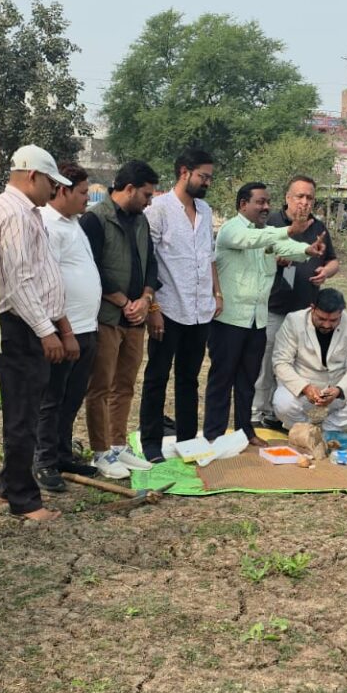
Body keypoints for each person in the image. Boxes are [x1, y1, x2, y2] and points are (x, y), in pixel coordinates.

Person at [0, 144, 73, 522]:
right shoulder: (15, 214)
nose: (54, 189)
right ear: (32, 176)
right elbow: (19, 282)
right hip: (20, 326)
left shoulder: (28, 212)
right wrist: (45, 331)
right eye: (51, 182)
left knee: (27, 410)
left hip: (31, 324)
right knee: (22, 415)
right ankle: (23, 499)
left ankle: (12, 482)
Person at [209, 182, 322, 445]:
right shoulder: (231, 229)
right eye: (260, 202)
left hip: (257, 320)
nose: (266, 207)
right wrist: (289, 230)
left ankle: (245, 432)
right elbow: (253, 240)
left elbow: (283, 248)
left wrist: (307, 250)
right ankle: (214, 436)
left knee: (248, 380)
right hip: (229, 320)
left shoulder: (266, 233)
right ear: (243, 204)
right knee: (222, 380)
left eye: (268, 202)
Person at [80, 160, 160, 479]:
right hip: (108, 317)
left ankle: (117, 444)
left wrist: (146, 300)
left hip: (135, 319)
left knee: (125, 385)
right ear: (128, 189)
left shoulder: (141, 221)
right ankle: (101, 451)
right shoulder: (95, 219)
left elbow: (151, 264)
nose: (149, 202)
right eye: (146, 195)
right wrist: (123, 301)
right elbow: (91, 268)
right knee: (101, 385)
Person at [141, 147, 216, 461]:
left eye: (209, 177)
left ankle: (187, 441)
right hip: (168, 308)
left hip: (200, 311)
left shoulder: (206, 210)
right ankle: (151, 443)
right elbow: (148, 261)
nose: (207, 182)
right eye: (203, 176)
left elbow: (209, 257)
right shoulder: (158, 209)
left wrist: (217, 294)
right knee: (157, 377)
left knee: (189, 379)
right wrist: (153, 308)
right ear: (184, 172)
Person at [35, 162, 101, 493]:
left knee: (72, 396)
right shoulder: (47, 224)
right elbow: (49, 283)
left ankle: (61, 453)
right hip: (65, 329)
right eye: (83, 192)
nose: (88, 198)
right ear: (62, 190)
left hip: (86, 326)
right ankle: (43, 461)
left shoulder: (74, 223)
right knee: (52, 398)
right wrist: (64, 331)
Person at [253, 175, 339, 430]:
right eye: (299, 196)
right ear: (288, 198)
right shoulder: (271, 222)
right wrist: (275, 260)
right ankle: (257, 412)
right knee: (266, 361)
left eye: (309, 197)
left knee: (294, 365)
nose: (304, 202)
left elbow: (333, 260)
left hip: (306, 312)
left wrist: (326, 271)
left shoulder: (318, 227)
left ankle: (280, 413)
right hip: (274, 308)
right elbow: (255, 257)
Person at [270, 288, 347, 428]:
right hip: (303, 383)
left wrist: (339, 390)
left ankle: (331, 427)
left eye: (333, 320)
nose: (327, 325)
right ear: (312, 308)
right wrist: (305, 387)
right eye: (321, 319)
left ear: (341, 312)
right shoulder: (294, 321)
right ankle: (305, 429)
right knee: (282, 404)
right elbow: (281, 363)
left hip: (338, 383)